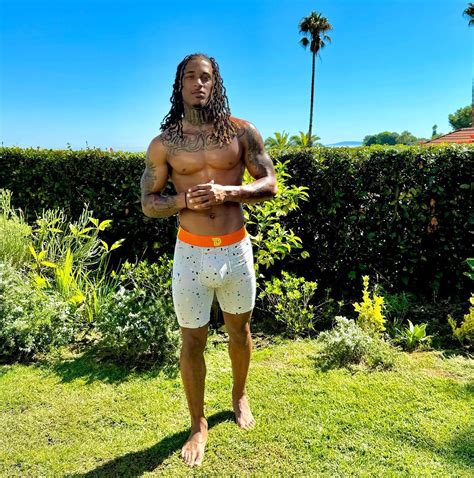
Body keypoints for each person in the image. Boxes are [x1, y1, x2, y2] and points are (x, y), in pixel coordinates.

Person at [140, 53, 277, 468]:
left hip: (235, 249)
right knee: (192, 341)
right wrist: (183, 200)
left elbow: (269, 183)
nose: (199, 83)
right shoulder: (164, 144)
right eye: (191, 77)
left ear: (215, 84)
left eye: (206, 77)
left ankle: (239, 395)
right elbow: (148, 202)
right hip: (191, 253)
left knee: (240, 331)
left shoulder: (241, 132)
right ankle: (198, 424)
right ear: (179, 84)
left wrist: (228, 192)